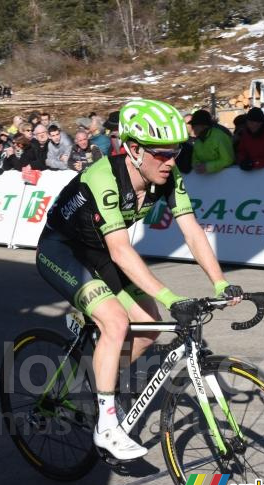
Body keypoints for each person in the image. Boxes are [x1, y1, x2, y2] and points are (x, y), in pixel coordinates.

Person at [35, 99, 243, 460]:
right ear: (133, 150)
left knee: (148, 330)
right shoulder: (103, 178)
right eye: (161, 154)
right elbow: (120, 251)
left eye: (176, 152)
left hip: (98, 251)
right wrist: (169, 296)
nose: (171, 162)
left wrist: (220, 283)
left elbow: (193, 231)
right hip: (63, 250)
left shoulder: (168, 176)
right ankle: (106, 424)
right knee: (116, 321)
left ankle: (100, 386)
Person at [189, 109, 235, 174]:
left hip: (224, 179)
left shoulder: (220, 136)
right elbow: (195, 159)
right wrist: (197, 165)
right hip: (206, 180)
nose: (192, 128)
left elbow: (228, 159)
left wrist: (208, 167)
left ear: (204, 125)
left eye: (194, 125)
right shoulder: (198, 141)